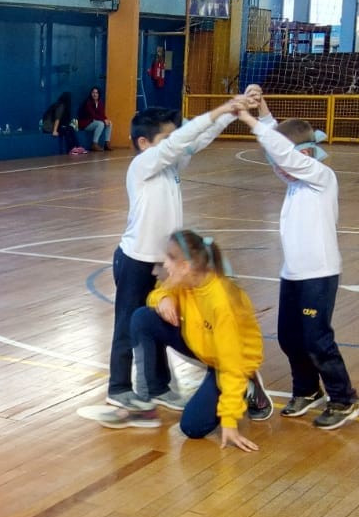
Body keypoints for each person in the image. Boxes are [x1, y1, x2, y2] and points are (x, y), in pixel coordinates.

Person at [103, 96, 253, 411]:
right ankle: (118, 387)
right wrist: (221, 109)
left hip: (164, 264)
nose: (175, 142)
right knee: (127, 323)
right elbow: (183, 139)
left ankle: (157, 386)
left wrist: (233, 113)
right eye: (167, 138)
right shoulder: (142, 166)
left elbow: (196, 140)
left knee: (156, 321)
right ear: (144, 143)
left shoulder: (170, 164)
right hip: (135, 261)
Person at [236, 90, 359, 430]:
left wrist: (247, 120)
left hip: (318, 274)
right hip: (293, 273)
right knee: (289, 337)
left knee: (316, 339)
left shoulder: (320, 177)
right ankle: (307, 389)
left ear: (305, 154)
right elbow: (277, 150)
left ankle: (344, 398)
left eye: (285, 161)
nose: (279, 168)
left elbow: (284, 155)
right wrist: (261, 111)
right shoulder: (296, 180)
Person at [94, 229, 272, 453]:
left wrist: (229, 421)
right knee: (143, 318)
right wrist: (164, 298)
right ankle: (151, 395)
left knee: (192, 427)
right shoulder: (185, 280)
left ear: (186, 265)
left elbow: (231, 364)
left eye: (170, 258)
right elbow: (156, 293)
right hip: (205, 346)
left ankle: (248, 383)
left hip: (233, 362)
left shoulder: (221, 302)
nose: (164, 265)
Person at [77, 86, 112, 152]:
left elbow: (102, 115)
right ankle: (94, 144)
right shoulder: (88, 102)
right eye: (93, 92)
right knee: (101, 124)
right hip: (86, 123)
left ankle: (107, 143)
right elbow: (93, 115)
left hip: (93, 122)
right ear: (91, 94)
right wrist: (103, 120)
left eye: (96, 93)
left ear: (99, 94)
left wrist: (106, 120)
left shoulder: (100, 103)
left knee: (109, 123)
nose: (95, 94)